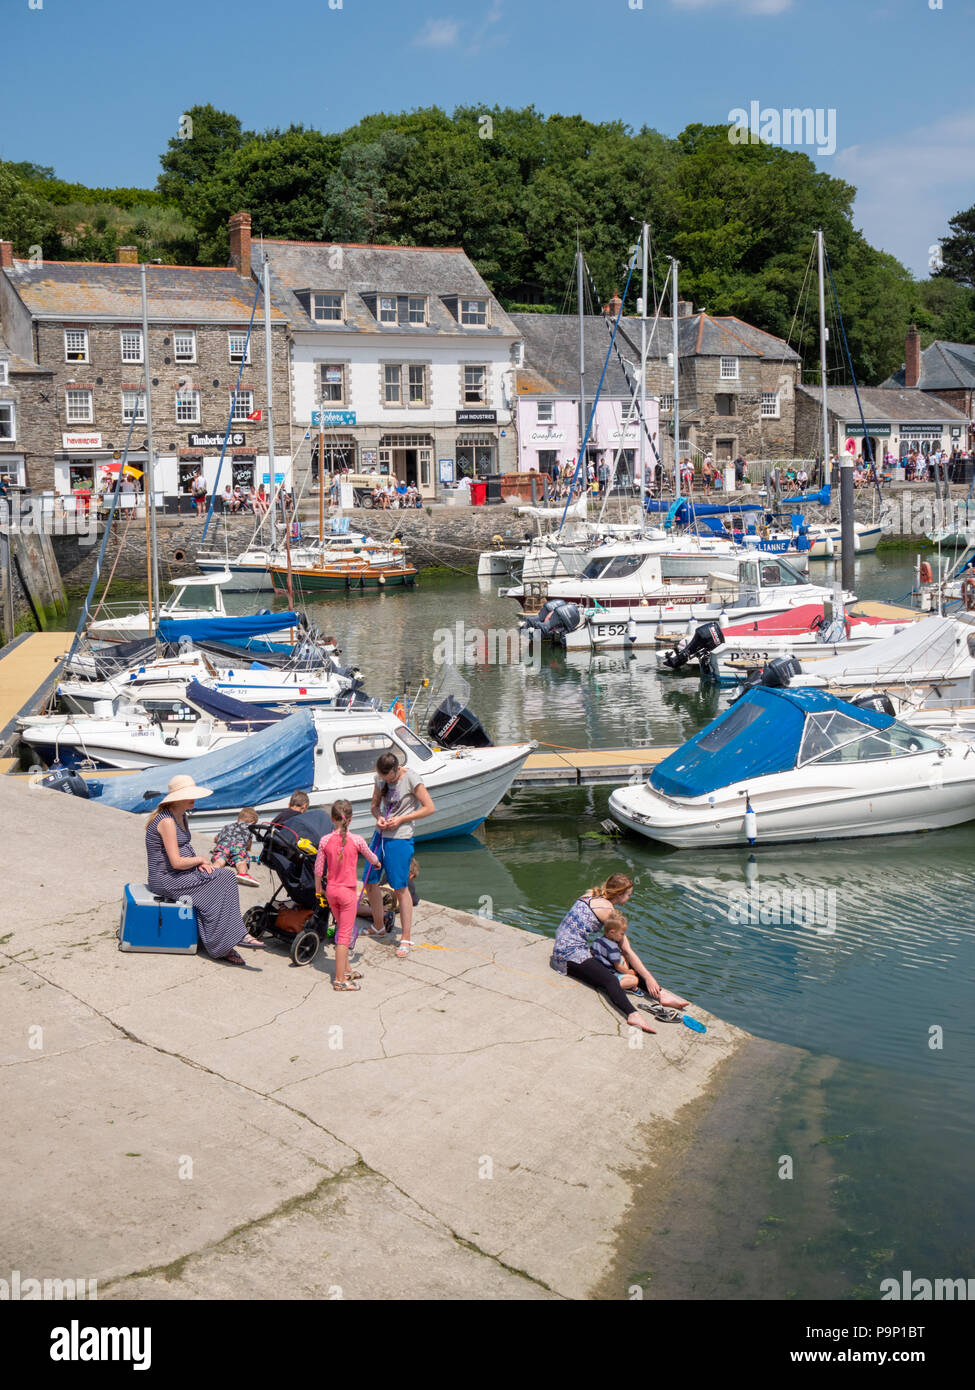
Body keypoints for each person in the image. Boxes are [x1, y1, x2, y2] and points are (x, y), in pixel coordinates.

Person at [145, 775, 262, 966]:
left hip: (179, 872)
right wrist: (199, 859)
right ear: (177, 798)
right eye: (189, 795)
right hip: (165, 878)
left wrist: (197, 863)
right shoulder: (166, 821)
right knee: (223, 879)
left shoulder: (181, 815)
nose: (194, 799)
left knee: (225, 877)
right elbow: (175, 862)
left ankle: (225, 940)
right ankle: (227, 941)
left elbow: (183, 851)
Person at [550, 874, 689, 1032]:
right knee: (610, 980)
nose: (629, 898)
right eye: (629, 894)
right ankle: (632, 1014)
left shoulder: (591, 894)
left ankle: (660, 994)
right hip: (568, 954)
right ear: (620, 894)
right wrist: (649, 978)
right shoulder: (608, 910)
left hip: (565, 946)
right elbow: (628, 951)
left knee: (616, 961)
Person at [364, 751, 435, 957]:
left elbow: (429, 808)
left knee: (400, 887)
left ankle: (405, 937)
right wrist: (378, 817)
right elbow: (374, 806)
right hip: (380, 835)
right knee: (370, 881)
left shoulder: (411, 778)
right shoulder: (379, 779)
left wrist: (402, 819)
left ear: (396, 770)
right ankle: (379, 926)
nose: (387, 781)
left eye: (390, 778)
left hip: (400, 838)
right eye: (384, 778)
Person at [314, 800, 382, 992]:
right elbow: (371, 857)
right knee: (343, 936)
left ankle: (346, 969)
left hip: (332, 892)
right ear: (350, 819)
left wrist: (319, 888)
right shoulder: (358, 840)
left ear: (331, 819)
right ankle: (339, 979)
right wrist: (377, 864)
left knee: (341, 928)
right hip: (347, 894)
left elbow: (318, 869)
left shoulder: (325, 840)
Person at [210, 806, 260, 887]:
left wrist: (219, 842)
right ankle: (242, 874)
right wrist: (247, 848)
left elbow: (216, 838)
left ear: (238, 818)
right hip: (238, 846)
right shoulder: (249, 828)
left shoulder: (227, 826)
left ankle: (212, 871)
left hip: (223, 845)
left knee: (220, 859)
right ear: (252, 821)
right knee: (240, 861)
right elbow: (249, 845)